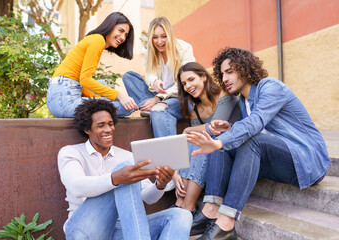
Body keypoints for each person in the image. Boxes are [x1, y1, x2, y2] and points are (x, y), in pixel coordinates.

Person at [186, 47, 331, 240]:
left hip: (306, 160)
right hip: (279, 161)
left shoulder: (270, 86)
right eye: (222, 74)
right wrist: (229, 129)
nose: (225, 78)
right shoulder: (243, 102)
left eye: (230, 71)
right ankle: (210, 211)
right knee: (225, 143)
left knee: (239, 142)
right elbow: (256, 128)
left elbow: (256, 123)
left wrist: (222, 141)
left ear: (245, 68)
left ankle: (226, 224)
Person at [58, 98, 193, 239]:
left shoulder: (126, 156)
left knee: (181, 215)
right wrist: (116, 178)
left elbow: (148, 198)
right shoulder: (71, 152)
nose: (108, 129)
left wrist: (160, 185)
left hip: (122, 230)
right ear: (87, 129)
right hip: (85, 231)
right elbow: (76, 186)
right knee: (124, 169)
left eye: (110, 124)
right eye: (101, 125)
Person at [172, 62, 240, 223]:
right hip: (213, 157)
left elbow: (214, 128)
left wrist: (187, 130)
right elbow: (194, 139)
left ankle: (187, 207)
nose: (188, 86)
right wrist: (175, 173)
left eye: (191, 79)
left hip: (234, 152)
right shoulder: (196, 112)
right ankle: (181, 203)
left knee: (203, 140)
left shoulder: (225, 95)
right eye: (184, 83)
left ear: (203, 77)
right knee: (195, 141)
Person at [47, 12, 138, 118]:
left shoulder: (95, 39)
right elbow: (85, 80)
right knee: (125, 108)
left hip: (59, 96)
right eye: (120, 31)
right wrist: (119, 95)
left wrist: (107, 98)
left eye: (126, 35)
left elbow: (82, 84)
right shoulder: (98, 40)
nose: (123, 37)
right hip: (65, 100)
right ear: (110, 26)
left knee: (104, 85)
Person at [122, 16, 195, 137]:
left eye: (164, 36)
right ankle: (150, 107)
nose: (159, 42)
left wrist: (158, 98)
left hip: (179, 98)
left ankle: (153, 109)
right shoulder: (150, 52)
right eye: (155, 37)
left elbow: (186, 83)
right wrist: (154, 81)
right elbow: (149, 75)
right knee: (128, 77)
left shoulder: (185, 48)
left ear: (170, 35)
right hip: (157, 96)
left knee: (159, 110)